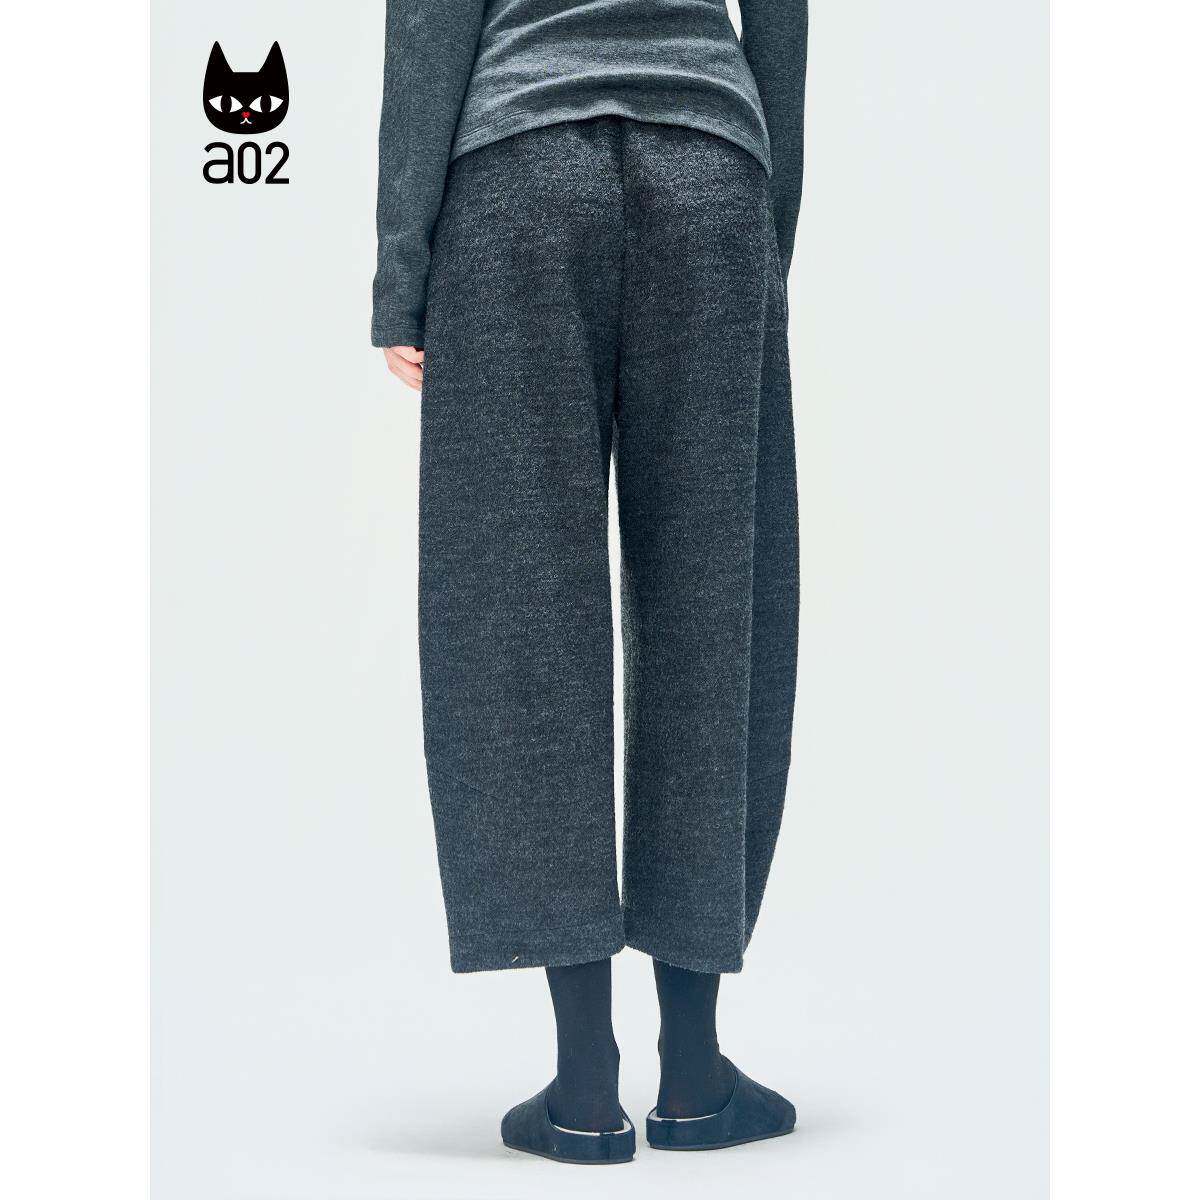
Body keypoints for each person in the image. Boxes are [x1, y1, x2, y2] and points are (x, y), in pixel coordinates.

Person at [373, 0, 807, 1165]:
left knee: (519, 611)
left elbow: (429, 21)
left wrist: (402, 268)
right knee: (714, 610)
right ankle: (696, 1073)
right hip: (710, 169)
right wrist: (767, 232)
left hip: (517, 182)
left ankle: (582, 1086)